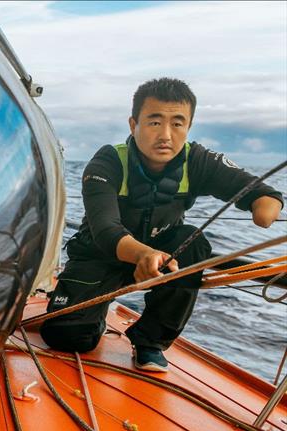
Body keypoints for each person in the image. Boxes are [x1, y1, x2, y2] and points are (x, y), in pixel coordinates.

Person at [40, 78, 283, 372]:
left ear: (189, 127)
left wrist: (265, 207)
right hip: (99, 255)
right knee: (65, 337)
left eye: (178, 123)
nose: (166, 135)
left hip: (164, 256)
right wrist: (142, 254)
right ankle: (91, 314)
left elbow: (263, 194)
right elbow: (105, 229)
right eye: (154, 122)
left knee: (193, 242)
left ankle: (150, 342)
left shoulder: (198, 160)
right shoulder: (107, 162)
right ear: (134, 124)